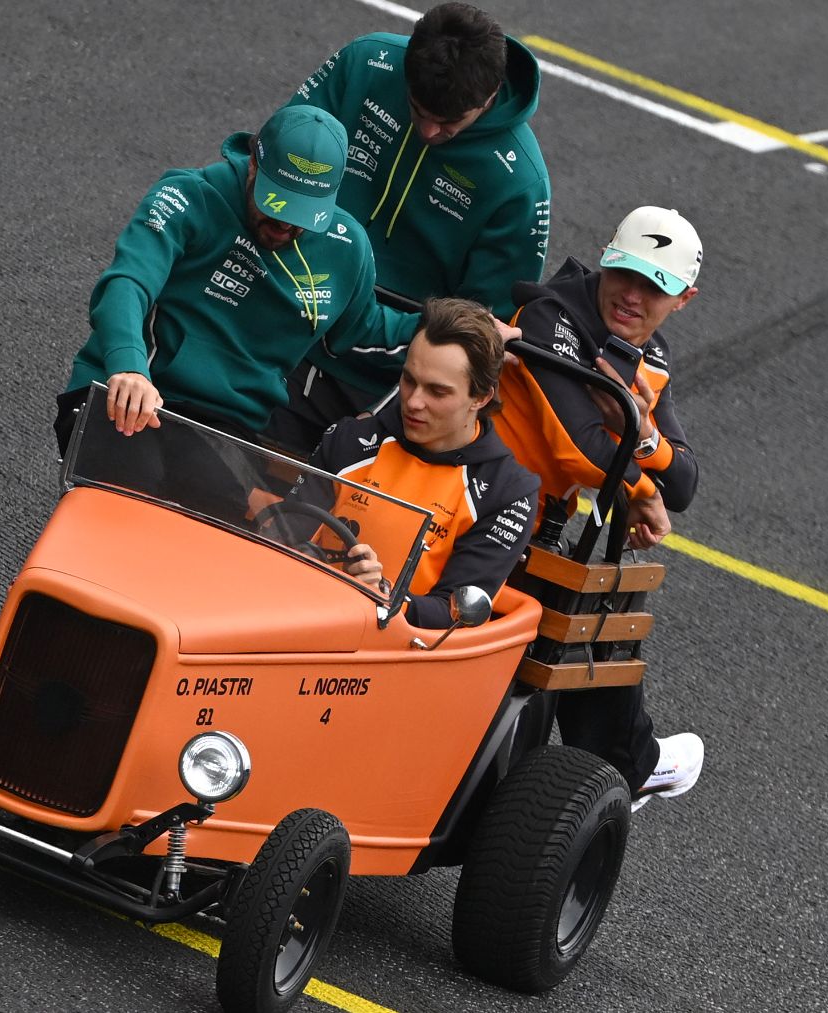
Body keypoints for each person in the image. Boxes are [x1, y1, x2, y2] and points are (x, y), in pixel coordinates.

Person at [491, 205, 709, 810]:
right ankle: (631, 765)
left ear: (683, 299)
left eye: (654, 286)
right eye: (626, 274)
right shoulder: (551, 315)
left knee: (595, 606)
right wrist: (641, 491)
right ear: (606, 260)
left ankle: (624, 766)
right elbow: (581, 447)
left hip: (528, 525)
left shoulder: (652, 356)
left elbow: (685, 482)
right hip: (484, 506)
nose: (632, 296)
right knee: (585, 606)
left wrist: (642, 437)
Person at [263, 2, 551, 455]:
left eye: (450, 124)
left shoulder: (521, 183)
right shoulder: (364, 63)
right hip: (278, 330)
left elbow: (480, 325)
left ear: (490, 95)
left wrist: (389, 412)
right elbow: (271, 161)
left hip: (380, 384)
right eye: (418, 110)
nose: (430, 131)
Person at [55, 105, 411, 454]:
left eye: (302, 213)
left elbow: (362, 330)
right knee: (135, 481)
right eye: (276, 204)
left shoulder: (347, 246)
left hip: (230, 427)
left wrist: (436, 325)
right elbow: (127, 283)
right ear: (254, 163)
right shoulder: (189, 195)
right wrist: (129, 367)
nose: (285, 224)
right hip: (133, 390)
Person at [291, 297, 538, 629]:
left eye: (437, 392)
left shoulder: (509, 491)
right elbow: (284, 538)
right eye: (408, 380)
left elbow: (455, 614)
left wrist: (385, 595)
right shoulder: (351, 439)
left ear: (481, 398)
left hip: (397, 648)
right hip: (300, 612)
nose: (414, 402)